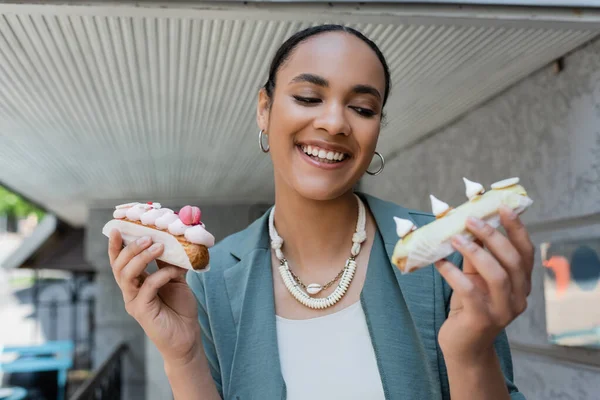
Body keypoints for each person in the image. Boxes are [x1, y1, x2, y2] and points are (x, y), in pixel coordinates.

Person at [107, 24, 533, 399]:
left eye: (363, 108)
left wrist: (470, 353)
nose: (334, 122)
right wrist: (182, 359)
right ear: (264, 108)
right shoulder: (210, 281)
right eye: (309, 97)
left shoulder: (447, 260)